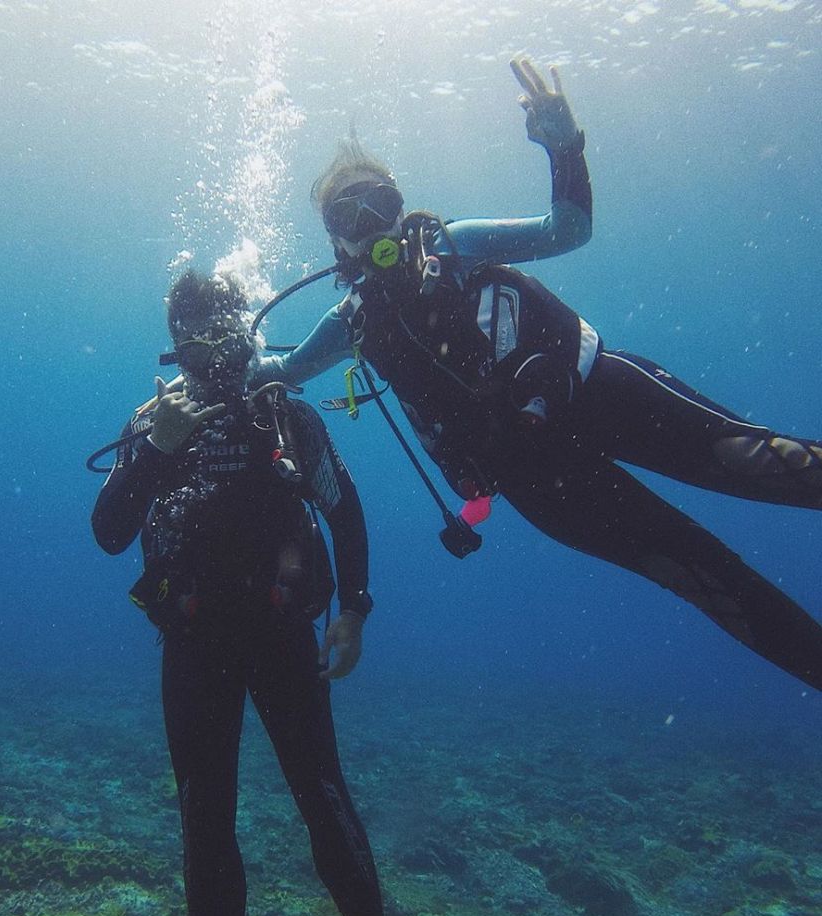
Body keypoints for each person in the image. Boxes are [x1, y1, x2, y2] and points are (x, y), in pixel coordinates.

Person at [254, 66, 822, 692]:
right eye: (351, 215)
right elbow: (283, 370)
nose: (374, 227)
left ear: (401, 206)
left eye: (380, 205)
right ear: (336, 239)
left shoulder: (458, 244)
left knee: (757, 460)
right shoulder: (352, 324)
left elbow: (567, 229)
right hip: (538, 478)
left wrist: (563, 145)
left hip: (600, 391)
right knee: (698, 574)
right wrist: (223, 358)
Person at [91, 270, 414, 916]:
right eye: (192, 335)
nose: (209, 350)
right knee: (216, 816)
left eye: (221, 331)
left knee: (313, 798)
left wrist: (355, 610)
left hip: (264, 635)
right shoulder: (154, 420)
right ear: (175, 346)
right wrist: (154, 450)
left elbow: (345, 511)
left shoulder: (287, 416)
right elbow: (108, 532)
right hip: (207, 640)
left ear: (247, 333)